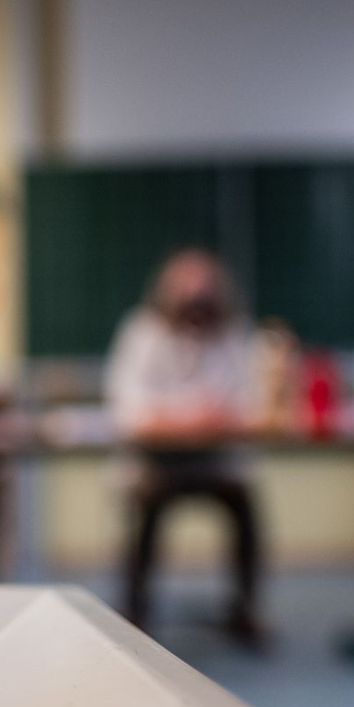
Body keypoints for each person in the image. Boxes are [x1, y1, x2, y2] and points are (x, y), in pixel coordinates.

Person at [104, 249, 264, 645]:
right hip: (155, 464)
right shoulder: (142, 334)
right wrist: (191, 415)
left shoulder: (233, 335)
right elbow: (128, 410)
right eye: (187, 292)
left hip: (216, 463)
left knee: (245, 503)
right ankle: (136, 612)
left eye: (205, 293)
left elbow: (253, 404)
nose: (197, 303)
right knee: (145, 508)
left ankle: (244, 610)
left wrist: (212, 416)